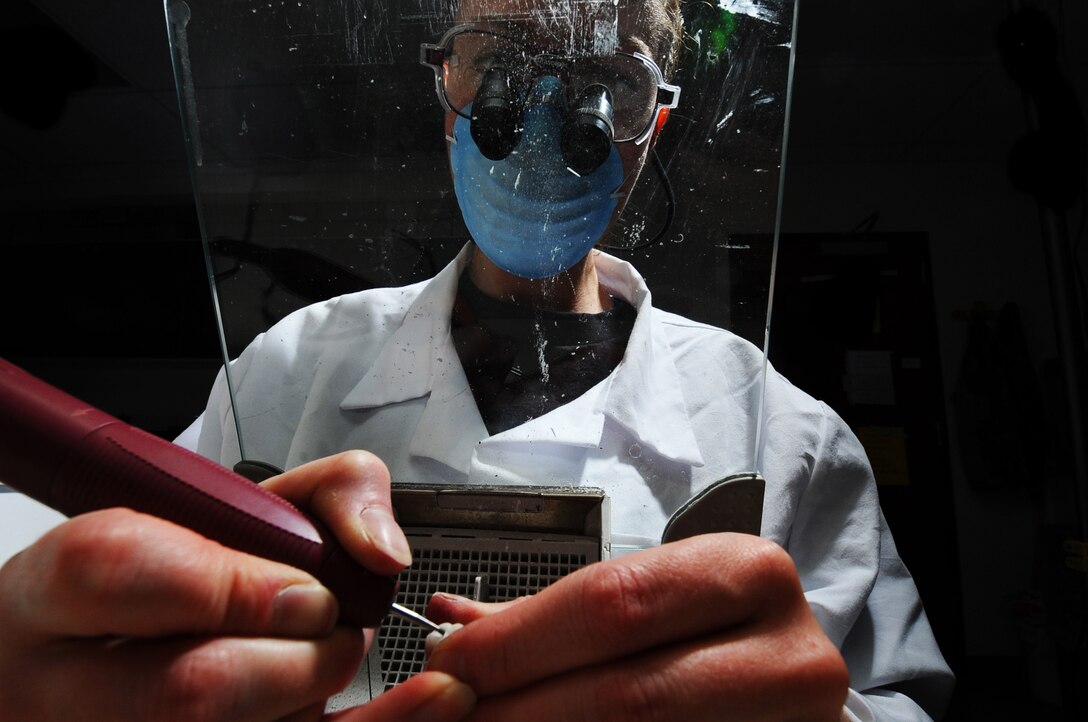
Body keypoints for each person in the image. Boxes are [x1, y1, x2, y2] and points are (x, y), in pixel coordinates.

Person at [0, 0, 954, 720]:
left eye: (601, 85)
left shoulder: (779, 428)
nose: (539, 130)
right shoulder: (292, 368)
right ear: (443, 95)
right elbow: (99, 554)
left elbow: (897, 697)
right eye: (496, 64)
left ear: (649, 123)